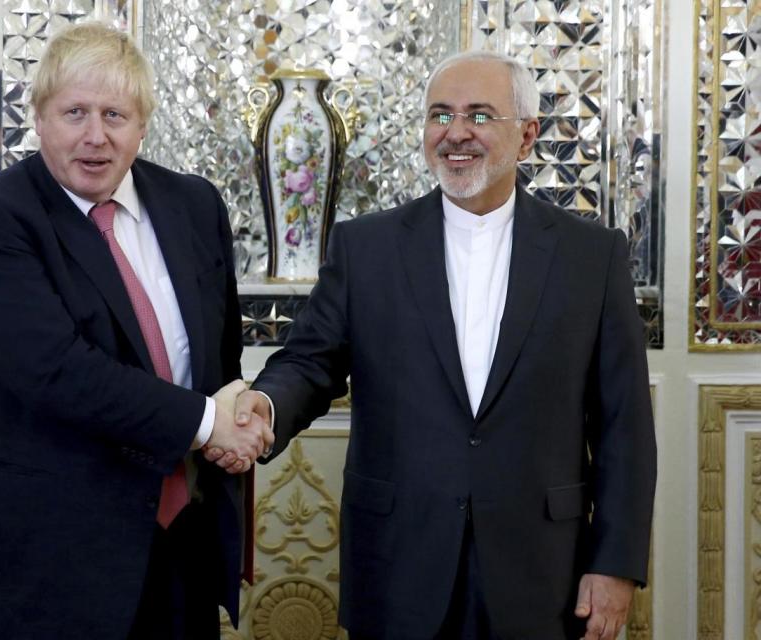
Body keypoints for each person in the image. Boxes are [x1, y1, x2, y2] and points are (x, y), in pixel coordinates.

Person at [215, 50, 657, 640]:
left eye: (479, 115)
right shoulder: (365, 248)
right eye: (440, 115)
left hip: (544, 570)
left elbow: (624, 424)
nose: (455, 134)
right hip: (398, 564)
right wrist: (265, 406)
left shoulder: (592, 257)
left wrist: (615, 564)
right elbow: (310, 362)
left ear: (526, 135)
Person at [0, 22, 265, 640]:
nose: (95, 136)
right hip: (50, 568)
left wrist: (236, 416)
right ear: (38, 119)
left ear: (143, 125)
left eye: (115, 114)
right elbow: (55, 371)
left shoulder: (195, 204)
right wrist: (205, 423)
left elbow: (217, 353)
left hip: (181, 554)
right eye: (75, 112)